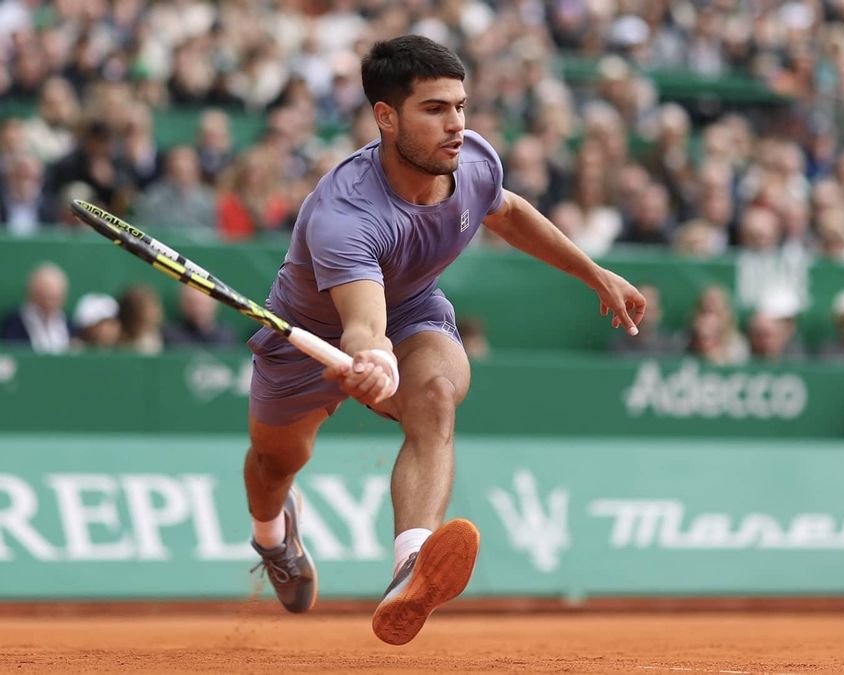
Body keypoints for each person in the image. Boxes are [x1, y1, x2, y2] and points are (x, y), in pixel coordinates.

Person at [242, 36, 645, 646]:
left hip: (412, 312)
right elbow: (363, 323)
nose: (455, 123)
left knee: (433, 393)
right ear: (386, 117)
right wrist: (371, 356)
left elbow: (507, 211)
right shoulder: (345, 216)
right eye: (434, 109)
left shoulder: (472, 159)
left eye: (459, 105)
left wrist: (593, 272)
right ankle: (272, 535)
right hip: (307, 336)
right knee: (276, 465)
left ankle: (412, 562)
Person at [0, 262, 72, 353]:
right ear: (32, 295)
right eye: (45, 297)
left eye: (55, 298)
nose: (50, 304)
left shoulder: (69, 324)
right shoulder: (12, 323)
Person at [163, 285, 238, 348]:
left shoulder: (226, 336)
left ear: (214, 305)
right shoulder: (170, 336)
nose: (198, 309)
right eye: (192, 302)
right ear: (182, 304)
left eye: (202, 303)